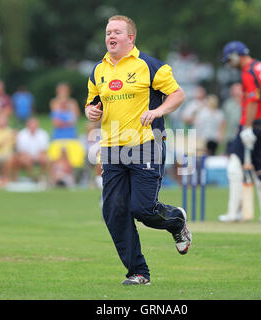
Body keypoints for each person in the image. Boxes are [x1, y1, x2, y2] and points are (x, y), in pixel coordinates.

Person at [85, 15, 190, 286]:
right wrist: (91, 111)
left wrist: (158, 111)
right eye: (108, 32)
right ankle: (138, 272)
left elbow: (177, 95)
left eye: (117, 32)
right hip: (111, 149)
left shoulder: (151, 65)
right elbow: (91, 105)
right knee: (114, 212)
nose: (111, 36)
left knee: (143, 209)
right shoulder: (99, 70)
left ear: (130, 37)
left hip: (146, 145)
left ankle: (176, 220)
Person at [218, 41, 261, 223]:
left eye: (230, 59)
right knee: (260, 163)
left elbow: (253, 99)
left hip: (254, 123)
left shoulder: (248, 72)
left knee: (235, 162)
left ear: (237, 56)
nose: (230, 63)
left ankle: (235, 211)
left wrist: (247, 127)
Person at [15, 117, 50, 181]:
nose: (33, 126)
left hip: (39, 155)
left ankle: (41, 176)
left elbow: (43, 150)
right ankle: (32, 177)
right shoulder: (22, 134)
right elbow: (21, 151)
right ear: (28, 125)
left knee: (45, 159)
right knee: (26, 160)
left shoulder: (43, 134)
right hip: (26, 156)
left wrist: (37, 156)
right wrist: (30, 157)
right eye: (31, 124)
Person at [221, 83, 243, 155]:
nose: (236, 92)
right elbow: (224, 120)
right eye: (234, 89)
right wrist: (222, 133)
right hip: (230, 136)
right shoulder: (228, 104)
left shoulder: (246, 102)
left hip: (243, 136)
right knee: (229, 155)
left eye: (238, 89)